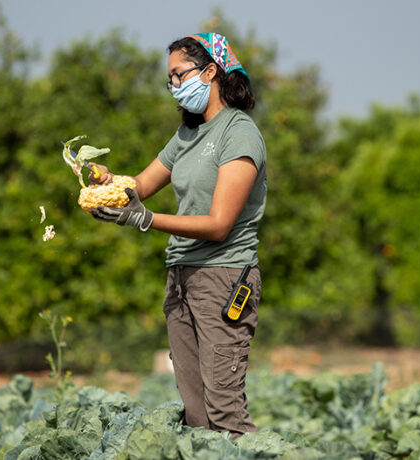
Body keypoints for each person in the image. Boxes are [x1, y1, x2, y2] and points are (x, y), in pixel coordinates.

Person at [88, 33, 267, 440]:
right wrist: (106, 182)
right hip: (180, 277)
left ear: (210, 72)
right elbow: (139, 185)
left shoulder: (238, 134)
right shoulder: (186, 135)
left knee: (225, 411)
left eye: (178, 75)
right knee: (196, 412)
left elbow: (219, 224)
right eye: (169, 80)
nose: (174, 88)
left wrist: (145, 220)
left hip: (224, 279)